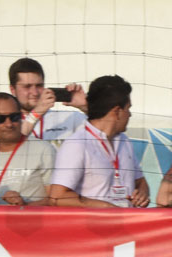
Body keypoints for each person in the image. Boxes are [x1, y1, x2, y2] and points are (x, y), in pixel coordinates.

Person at [49, 74, 149, 208]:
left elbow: (141, 182)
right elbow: (57, 197)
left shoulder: (124, 141)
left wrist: (142, 194)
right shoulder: (77, 144)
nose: (130, 114)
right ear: (117, 111)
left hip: (127, 224)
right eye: (128, 109)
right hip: (94, 226)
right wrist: (105, 207)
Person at [0, 93, 55, 207]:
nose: (9, 124)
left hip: (30, 223)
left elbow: (56, 199)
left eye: (14, 117)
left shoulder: (43, 150)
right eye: (0, 119)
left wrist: (25, 205)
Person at [5, 57, 88, 145]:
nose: (35, 93)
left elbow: (102, 132)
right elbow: (9, 150)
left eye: (39, 86)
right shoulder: (3, 124)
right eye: (27, 86)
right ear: (13, 89)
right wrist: (35, 114)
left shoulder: (70, 118)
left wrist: (86, 107)